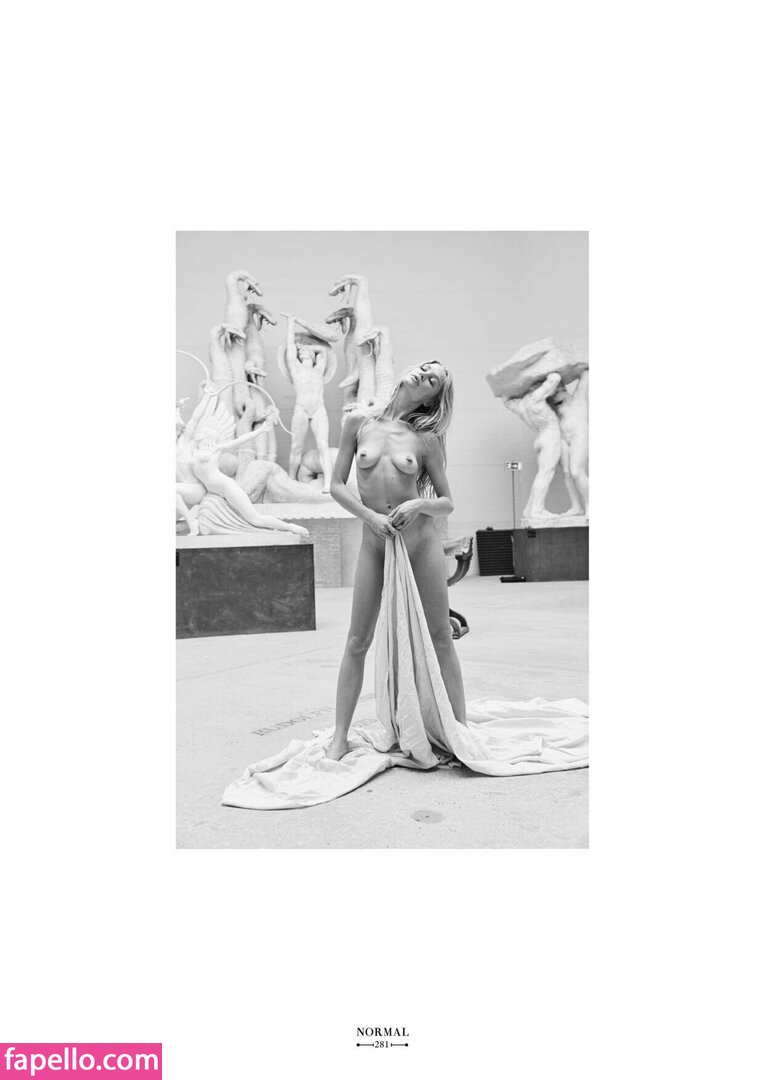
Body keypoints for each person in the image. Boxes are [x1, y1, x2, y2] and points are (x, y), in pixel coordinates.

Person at [326, 360, 466, 760]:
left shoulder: (426, 440)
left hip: (419, 542)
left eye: (434, 378)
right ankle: (339, 737)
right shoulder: (358, 422)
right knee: (357, 640)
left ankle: (460, 730)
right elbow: (336, 485)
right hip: (375, 541)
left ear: (433, 398)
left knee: (440, 636)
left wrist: (419, 504)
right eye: (424, 367)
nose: (424, 373)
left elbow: (447, 502)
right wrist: (369, 516)